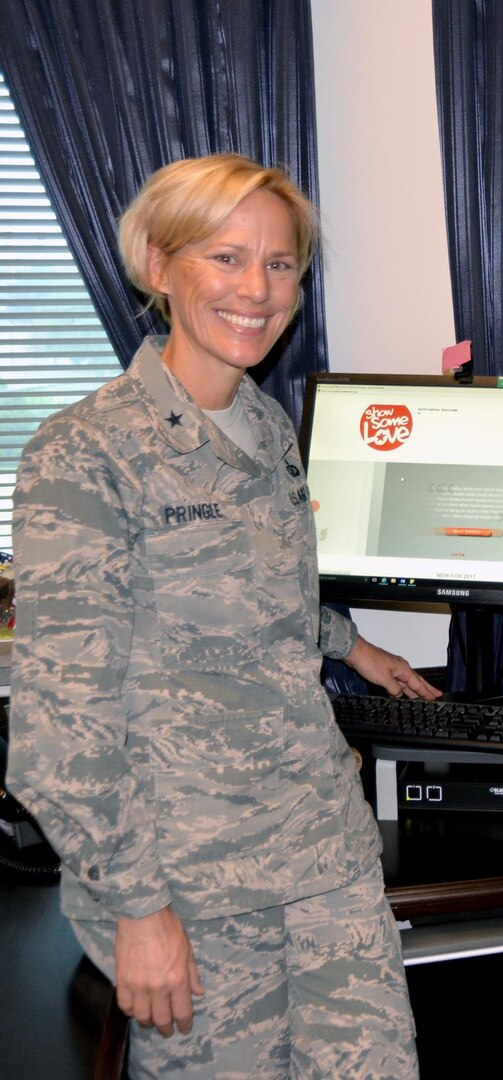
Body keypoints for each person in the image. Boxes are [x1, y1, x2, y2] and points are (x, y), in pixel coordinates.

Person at [8, 153, 439, 1078]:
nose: (256, 289)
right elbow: (58, 729)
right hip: (192, 890)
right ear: (160, 267)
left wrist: (349, 643)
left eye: (279, 264)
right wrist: (137, 910)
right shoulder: (84, 455)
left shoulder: (265, 426)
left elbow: (258, 589)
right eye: (224, 257)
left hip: (321, 853)